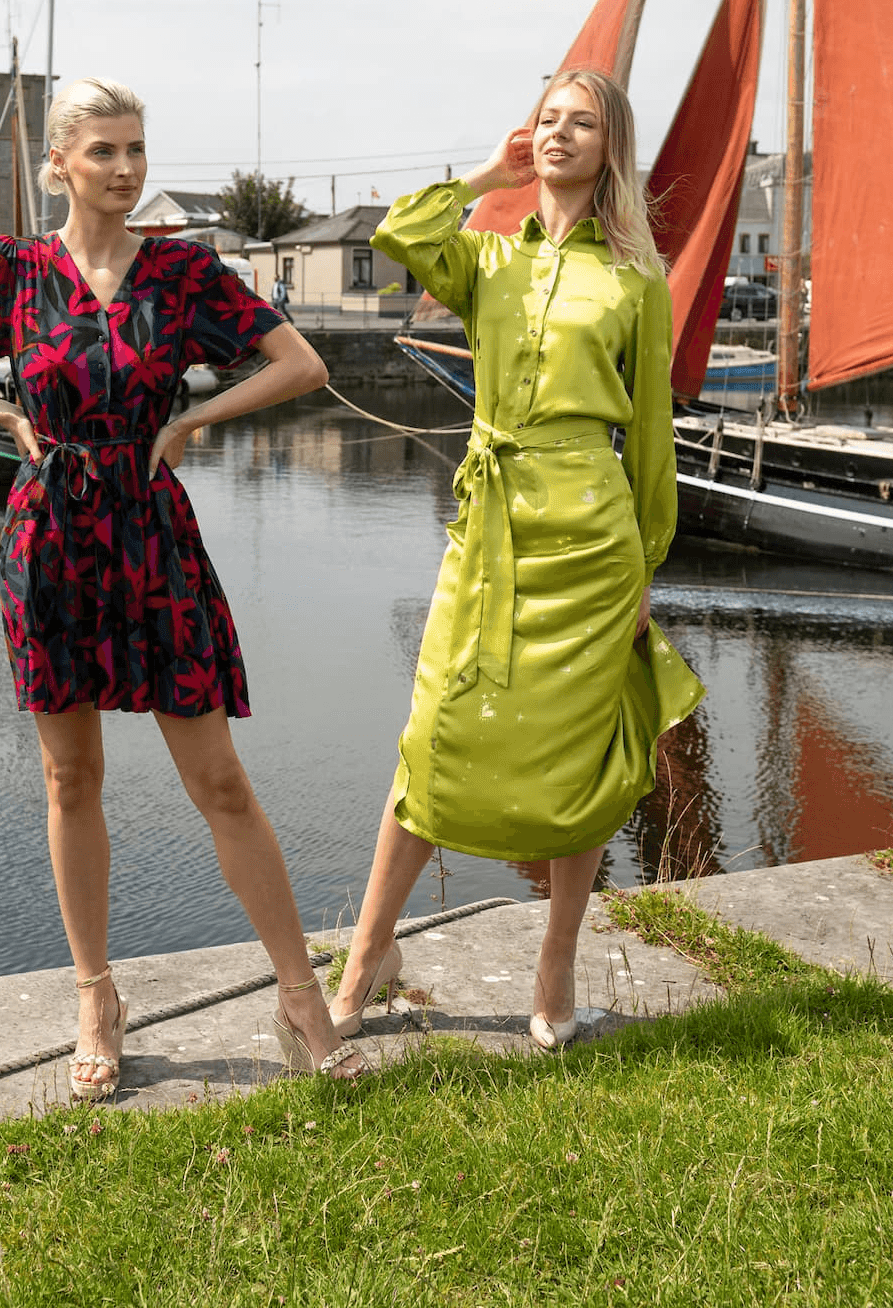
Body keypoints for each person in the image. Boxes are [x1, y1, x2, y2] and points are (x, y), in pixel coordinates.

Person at [0, 77, 371, 1096]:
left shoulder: (183, 272)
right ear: (60, 163)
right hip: (49, 537)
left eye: (136, 149)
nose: (126, 168)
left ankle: (297, 992)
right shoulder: (9, 273)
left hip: (151, 535)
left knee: (218, 777)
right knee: (69, 777)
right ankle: (96, 992)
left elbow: (301, 364)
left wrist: (190, 424)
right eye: (103, 151)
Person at [325, 69, 704, 1052]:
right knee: (435, 734)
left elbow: (652, 441)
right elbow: (396, 237)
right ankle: (368, 950)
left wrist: (645, 569)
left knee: (575, 755)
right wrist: (484, 173)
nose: (558, 134)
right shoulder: (488, 261)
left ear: (610, 147)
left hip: (593, 538)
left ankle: (557, 954)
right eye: (547, 120)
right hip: (490, 531)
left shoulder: (633, 283)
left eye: (581, 123)